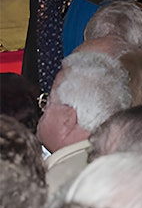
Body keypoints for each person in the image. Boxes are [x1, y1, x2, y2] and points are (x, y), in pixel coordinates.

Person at [37, 51, 130, 193]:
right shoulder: (134, 167)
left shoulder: (48, 188)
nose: (43, 109)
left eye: (47, 102)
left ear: (67, 119)